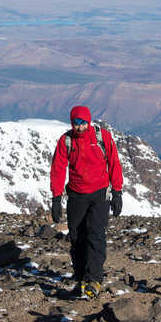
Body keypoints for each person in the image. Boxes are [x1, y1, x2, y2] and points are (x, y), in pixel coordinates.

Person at [49, 105, 124, 299]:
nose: (80, 127)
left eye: (83, 123)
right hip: (76, 195)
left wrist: (117, 191)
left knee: (95, 234)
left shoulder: (102, 137)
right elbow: (58, 168)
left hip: (99, 194)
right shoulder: (66, 140)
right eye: (76, 123)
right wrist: (56, 197)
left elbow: (114, 163)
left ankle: (94, 280)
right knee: (77, 237)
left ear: (89, 122)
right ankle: (81, 278)